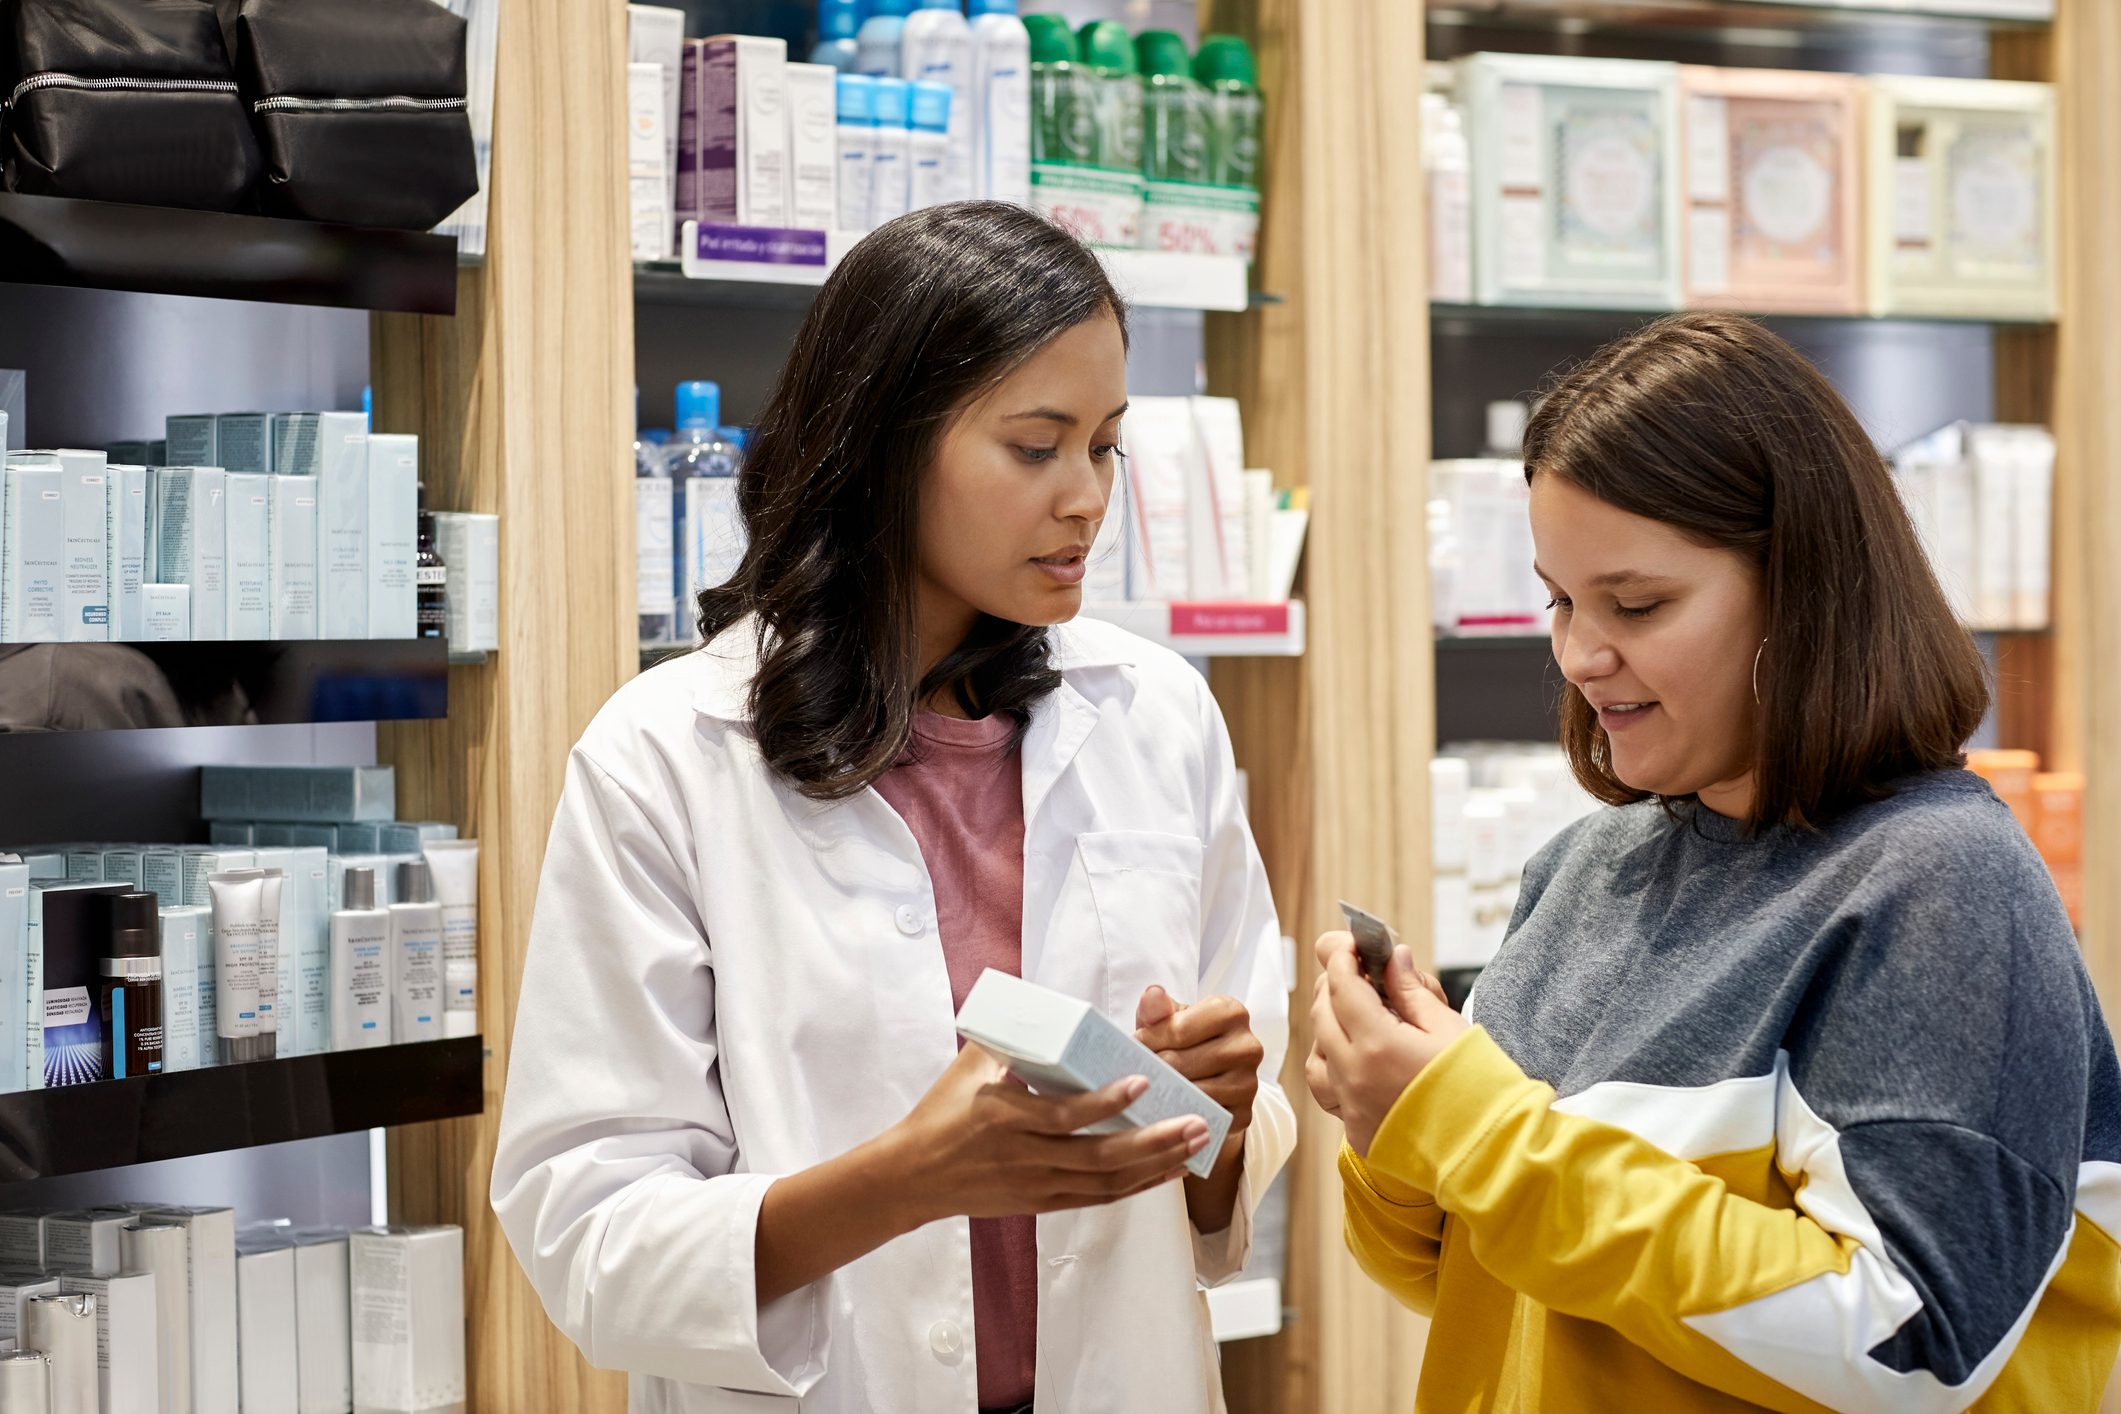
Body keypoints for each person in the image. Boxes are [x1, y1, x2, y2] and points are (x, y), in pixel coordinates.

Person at [491, 202, 1293, 1414]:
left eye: (1106, 446)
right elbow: (587, 1230)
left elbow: (1239, 1132)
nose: (1086, 497)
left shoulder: (1157, 715)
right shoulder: (665, 756)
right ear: (883, 446)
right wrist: (906, 1179)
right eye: (1036, 447)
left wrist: (1219, 1122)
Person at [1307, 312, 2121, 1412]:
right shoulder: (1587, 870)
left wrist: (1474, 1128)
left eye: (1636, 603)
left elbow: (1915, 1342)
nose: (1581, 655)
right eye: (1560, 599)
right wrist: (1395, 1127)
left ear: (1805, 587)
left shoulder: (1941, 886)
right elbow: (1467, 1271)